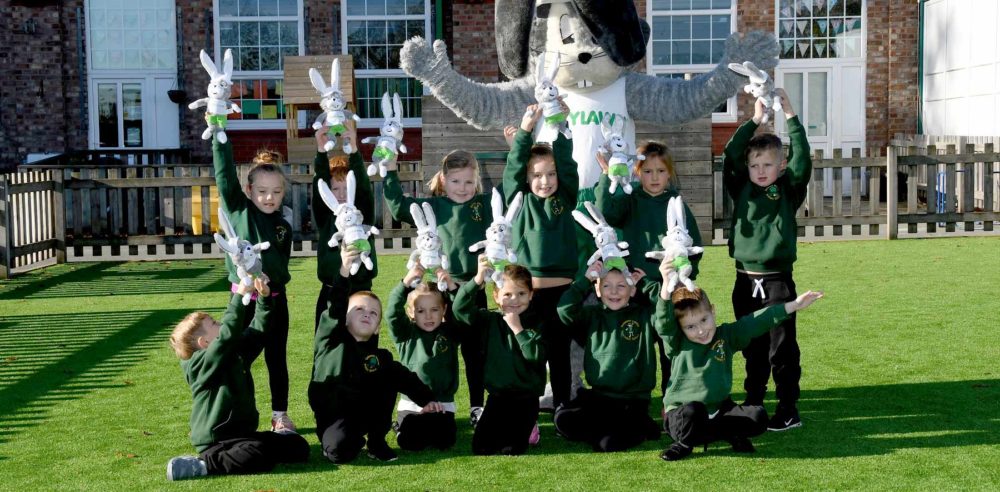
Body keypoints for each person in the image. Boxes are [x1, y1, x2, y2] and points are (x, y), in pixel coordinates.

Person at [722, 88, 813, 430]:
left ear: (781, 165)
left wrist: (790, 115)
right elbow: (730, 154)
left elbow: (803, 159)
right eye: (755, 165)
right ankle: (754, 402)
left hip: (776, 282)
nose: (760, 171)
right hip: (744, 281)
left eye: (768, 165)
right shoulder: (741, 187)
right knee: (752, 347)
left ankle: (788, 409)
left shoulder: (788, 189)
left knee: (782, 349)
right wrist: (756, 119)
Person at [383, 148, 492, 426]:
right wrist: (391, 170)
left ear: (477, 181)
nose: (463, 188)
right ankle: (423, 403)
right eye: (456, 181)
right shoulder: (434, 207)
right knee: (434, 352)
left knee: (475, 352)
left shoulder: (483, 204)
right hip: (439, 291)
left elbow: (514, 190)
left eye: (469, 181)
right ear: (443, 180)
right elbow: (397, 206)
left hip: (472, 289)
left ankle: (477, 407)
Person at [165, 277, 309, 480]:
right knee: (258, 455)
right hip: (217, 443)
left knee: (299, 447)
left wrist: (264, 299)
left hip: (243, 436)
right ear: (204, 342)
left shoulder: (232, 352)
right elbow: (227, 336)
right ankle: (202, 465)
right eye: (214, 323)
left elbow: (257, 331)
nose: (220, 323)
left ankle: (265, 447)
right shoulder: (198, 365)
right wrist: (239, 295)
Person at [659, 284, 823, 461]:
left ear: (712, 311)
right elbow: (663, 324)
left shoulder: (726, 335)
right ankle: (683, 444)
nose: (700, 330)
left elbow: (754, 322)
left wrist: (793, 306)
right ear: (680, 328)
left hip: (718, 410)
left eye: (704, 320)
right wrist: (666, 288)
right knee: (693, 411)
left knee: (757, 416)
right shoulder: (675, 342)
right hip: (683, 414)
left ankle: (722, 433)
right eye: (690, 327)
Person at [310, 246, 442, 464]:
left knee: (388, 373)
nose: (366, 315)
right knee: (340, 452)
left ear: (378, 327)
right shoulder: (329, 340)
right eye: (359, 310)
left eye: (373, 313)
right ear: (345, 318)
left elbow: (404, 377)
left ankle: (376, 441)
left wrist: (426, 399)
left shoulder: (377, 356)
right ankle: (344, 440)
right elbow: (334, 306)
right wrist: (343, 270)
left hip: (364, 413)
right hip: (334, 416)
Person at [594, 140, 703, 395]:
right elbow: (607, 212)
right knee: (638, 346)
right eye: (647, 171)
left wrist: (683, 275)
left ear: (670, 173)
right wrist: (606, 176)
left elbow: (693, 245)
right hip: (637, 288)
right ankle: (636, 398)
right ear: (636, 172)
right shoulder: (630, 200)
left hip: (671, 290)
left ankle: (673, 397)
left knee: (671, 347)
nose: (654, 177)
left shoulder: (677, 204)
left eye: (661, 171)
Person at [211, 133, 296, 432]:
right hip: (243, 300)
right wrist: (220, 136)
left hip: (273, 299)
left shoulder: (284, 225)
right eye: (262, 191)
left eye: (276, 192)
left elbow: (281, 265)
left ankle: (280, 415)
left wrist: (272, 285)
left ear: (284, 191)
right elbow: (223, 174)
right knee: (234, 357)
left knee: (276, 358)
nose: (269, 198)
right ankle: (230, 411)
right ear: (249, 190)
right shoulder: (238, 209)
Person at [503, 103, 579, 424]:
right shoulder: (520, 201)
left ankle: (562, 404)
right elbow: (514, 170)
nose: (545, 181)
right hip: (528, 294)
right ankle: (528, 408)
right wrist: (524, 132)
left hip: (562, 294)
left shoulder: (565, 199)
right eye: (537, 176)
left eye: (550, 175)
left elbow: (567, 162)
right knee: (529, 353)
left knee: (560, 354)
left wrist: (559, 123)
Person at [553, 260, 674, 452]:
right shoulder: (592, 315)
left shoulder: (644, 316)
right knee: (562, 419)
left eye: (621, 286)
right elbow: (564, 309)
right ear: (598, 290)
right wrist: (585, 280)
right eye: (607, 286)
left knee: (607, 444)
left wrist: (646, 284)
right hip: (600, 398)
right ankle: (610, 428)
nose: (614, 292)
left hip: (632, 401)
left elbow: (667, 315)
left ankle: (640, 428)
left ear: (632, 290)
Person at [453, 259, 546, 456]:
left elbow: (536, 357)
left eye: (521, 294)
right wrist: (477, 280)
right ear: (496, 296)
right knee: (481, 447)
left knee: (511, 449)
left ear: (531, 294)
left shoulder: (538, 322)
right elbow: (459, 309)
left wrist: (518, 329)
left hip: (526, 398)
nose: (515, 300)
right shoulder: (489, 320)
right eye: (507, 294)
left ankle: (530, 425)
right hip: (499, 397)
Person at [385, 263, 462, 451]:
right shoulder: (405, 334)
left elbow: (462, 312)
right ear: (411, 312)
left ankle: (426, 426)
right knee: (411, 443)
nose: (428, 316)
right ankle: (402, 427)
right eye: (420, 311)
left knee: (445, 442)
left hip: (442, 403)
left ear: (444, 310)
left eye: (434, 310)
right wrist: (405, 284)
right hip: (412, 405)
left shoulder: (451, 332)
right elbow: (392, 314)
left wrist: (452, 287)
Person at [312, 122, 378, 328]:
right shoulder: (325, 216)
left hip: (361, 292)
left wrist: (355, 150)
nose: (341, 195)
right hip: (331, 289)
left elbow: (364, 188)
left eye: (345, 188)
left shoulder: (361, 215)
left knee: (362, 351)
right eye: (334, 189)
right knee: (326, 349)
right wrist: (321, 152)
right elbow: (319, 183)